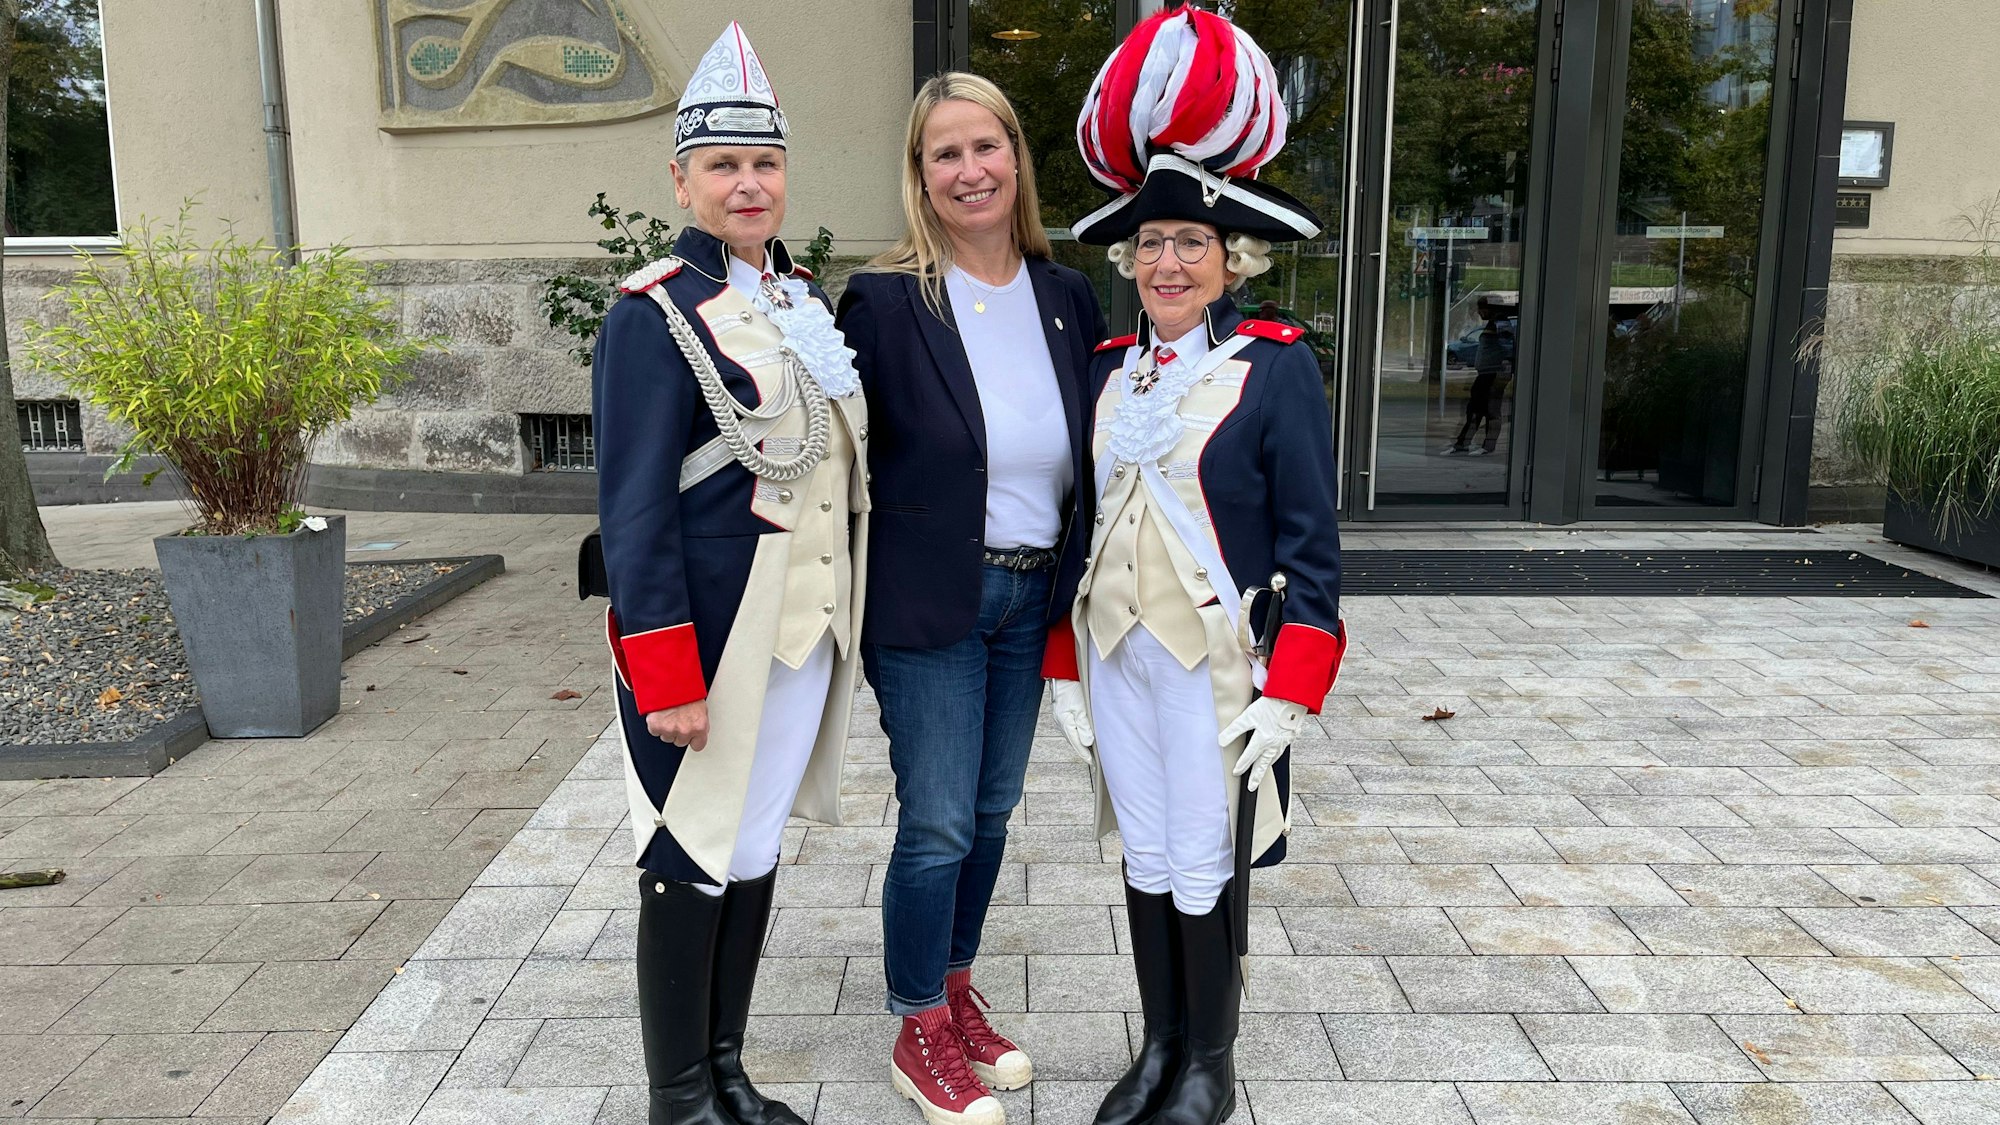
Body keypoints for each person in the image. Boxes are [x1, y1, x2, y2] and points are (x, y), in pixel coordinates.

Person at [1053, 9, 1347, 1125]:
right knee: (1143, 849)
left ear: (1233, 259)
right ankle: (1159, 1045)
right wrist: (1060, 673)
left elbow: (1312, 544)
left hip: (1218, 658)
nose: (1166, 263)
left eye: (1190, 244)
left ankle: (1208, 1064)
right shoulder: (1105, 367)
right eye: (1149, 245)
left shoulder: (1272, 370)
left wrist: (1294, 691)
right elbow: (1081, 527)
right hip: (1114, 652)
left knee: (1206, 857)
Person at [590, 23, 868, 1125]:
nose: (747, 184)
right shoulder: (651, 313)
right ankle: (677, 1099)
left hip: (802, 631)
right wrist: (664, 671)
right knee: (689, 851)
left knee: (750, 848)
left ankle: (725, 1074)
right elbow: (633, 507)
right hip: (712, 635)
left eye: (763, 164)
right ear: (681, 179)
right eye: (723, 166)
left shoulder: (801, 301)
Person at [836, 72, 1104, 1125]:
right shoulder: (886, 300)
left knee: (990, 815)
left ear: (1015, 159)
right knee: (939, 823)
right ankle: (915, 1028)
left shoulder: (1065, 294)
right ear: (919, 175)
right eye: (943, 153)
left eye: (984, 146)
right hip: (928, 604)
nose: (968, 169)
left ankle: (951, 991)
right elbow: (834, 459)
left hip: (1031, 597)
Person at [1447, 297, 1509, 456]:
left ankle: (1488, 446)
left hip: (1493, 373)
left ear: (1489, 308)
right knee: (1474, 409)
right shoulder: (1492, 323)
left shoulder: (1500, 322)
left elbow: (1507, 345)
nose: (1479, 313)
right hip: (1485, 373)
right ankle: (1462, 444)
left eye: (1481, 309)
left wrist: (1504, 365)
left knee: (1491, 410)